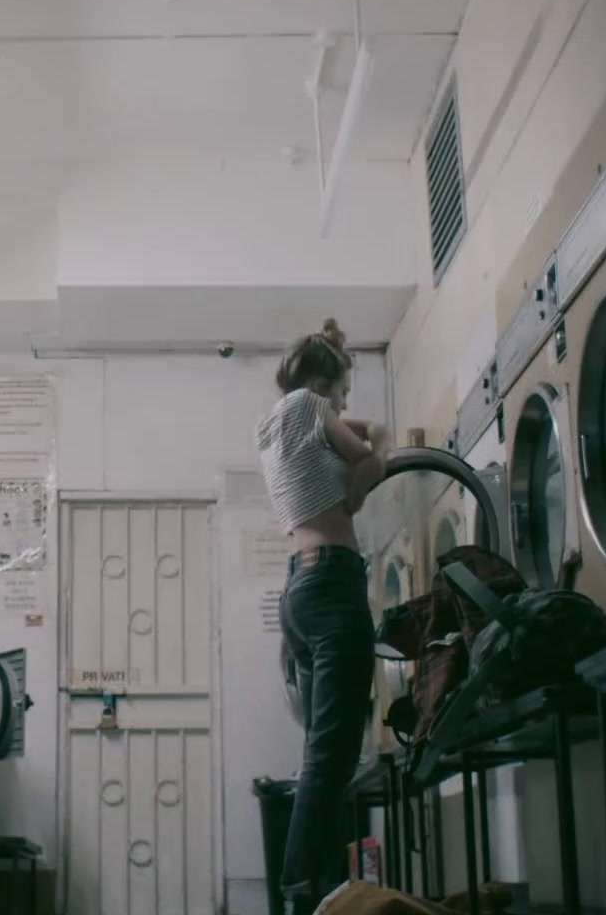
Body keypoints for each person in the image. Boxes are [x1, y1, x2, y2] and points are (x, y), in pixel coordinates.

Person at [256, 319, 389, 915]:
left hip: (298, 591)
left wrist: (333, 356)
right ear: (321, 382)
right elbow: (368, 456)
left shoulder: (273, 425)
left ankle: (314, 889)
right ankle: (303, 893)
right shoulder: (312, 403)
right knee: (332, 757)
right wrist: (364, 481)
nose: (345, 403)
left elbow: (354, 433)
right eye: (343, 390)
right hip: (334, 584)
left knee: (321, 751)